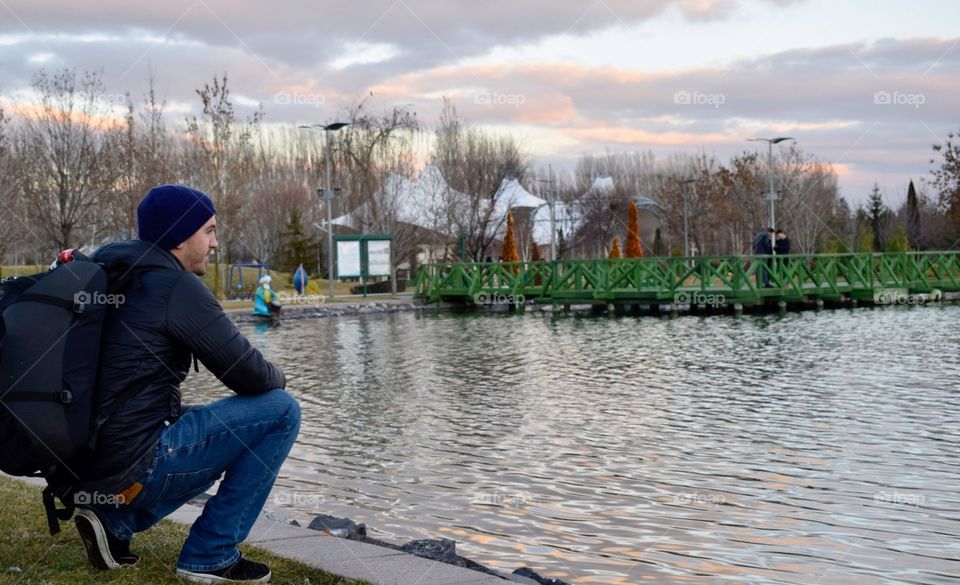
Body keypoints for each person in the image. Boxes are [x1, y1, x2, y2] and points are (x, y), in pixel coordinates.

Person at [77, 184, 299, 583]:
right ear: (181, 236)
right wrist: (281, 377)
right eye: (210, 230)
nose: (215, 243)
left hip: (85, 462)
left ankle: (113, 519)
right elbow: (250, 376)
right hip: (130, 465)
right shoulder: (174, 287)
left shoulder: (112, 274)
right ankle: (210, 555)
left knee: (212, 428)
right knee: (281, 410)